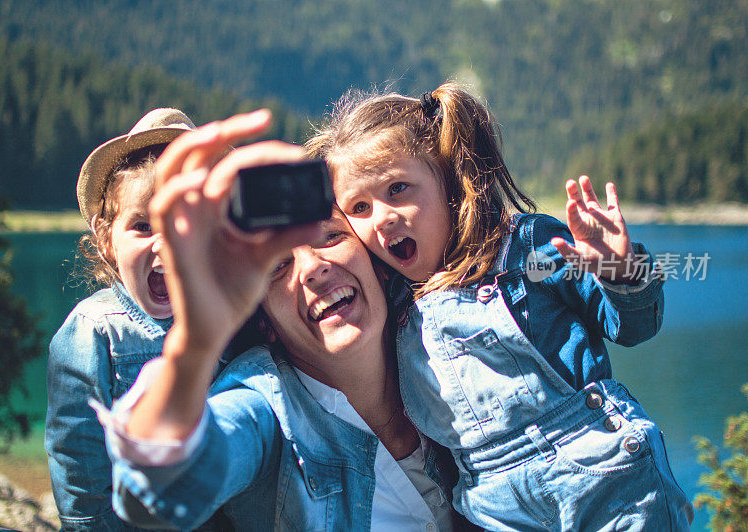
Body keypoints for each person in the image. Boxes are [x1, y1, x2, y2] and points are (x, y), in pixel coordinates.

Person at [307, 82, 694, 530]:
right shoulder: (389, 300)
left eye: (398, 188)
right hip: (491, 509)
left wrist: (620, 271)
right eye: (359, 206)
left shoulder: (523, 248)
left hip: (602, 479)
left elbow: (632, 327)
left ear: (448, 180)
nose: (383, 217)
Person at [95, 110, 466, 531]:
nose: (313, 269)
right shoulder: (265, 409)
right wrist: (195, 342)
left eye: (331, 237)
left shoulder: (448, 345)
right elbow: (160, 498)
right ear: (265, 322)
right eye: (277, 265)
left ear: (377, 264)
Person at [45, 108, 196, 530]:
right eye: (143, 225)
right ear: (105, 238)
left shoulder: (232, 319)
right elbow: (78, 470)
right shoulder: (94, 331)